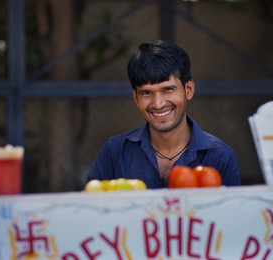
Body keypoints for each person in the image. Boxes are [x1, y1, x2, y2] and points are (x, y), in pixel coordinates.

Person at [87, 39, 241, 188]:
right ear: (136, 98)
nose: (158, 104)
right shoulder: (114, 151)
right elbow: (89, 210)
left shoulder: (220, 156)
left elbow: (229, 214)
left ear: (189, 89)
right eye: (146, 93)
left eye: (168, 89)